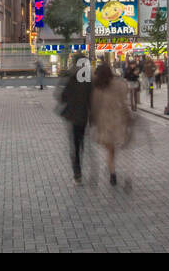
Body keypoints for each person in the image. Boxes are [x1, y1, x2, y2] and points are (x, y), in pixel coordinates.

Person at [89, 62, 133, 188]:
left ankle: (112, 174)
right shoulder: (119, 85)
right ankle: (127, 174)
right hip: (119, 121)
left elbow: (94, 107)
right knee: (124, 148)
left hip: (104, 123)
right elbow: (124, 102)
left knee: (110, 151)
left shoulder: (97, 89)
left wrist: (94, 121)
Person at [57, 55, 92, 183]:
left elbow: (62, 96)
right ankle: (80, 159)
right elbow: (91, 98)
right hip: (83, 115)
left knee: (74, 143)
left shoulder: (70, 76)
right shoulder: (87, 78)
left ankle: (77, 173)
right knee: (80, 140)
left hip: (72, 115)